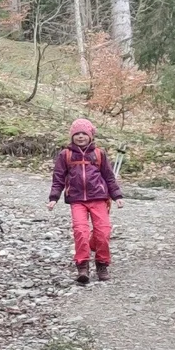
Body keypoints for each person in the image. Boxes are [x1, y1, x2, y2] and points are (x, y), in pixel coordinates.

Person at [49, 117, 121, 283]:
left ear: (91, 136)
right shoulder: (65, 155)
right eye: (77, 134)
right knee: (80, 231)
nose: (80, 136)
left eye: (84, 133)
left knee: (103, 232)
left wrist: (117, 196)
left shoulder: (98, 154)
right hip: (77, 199)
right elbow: (58, 177)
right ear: (72, 136)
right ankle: (83, 266)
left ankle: (102, 263)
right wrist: (54, 197)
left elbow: (109, 177)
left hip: (99, 198)